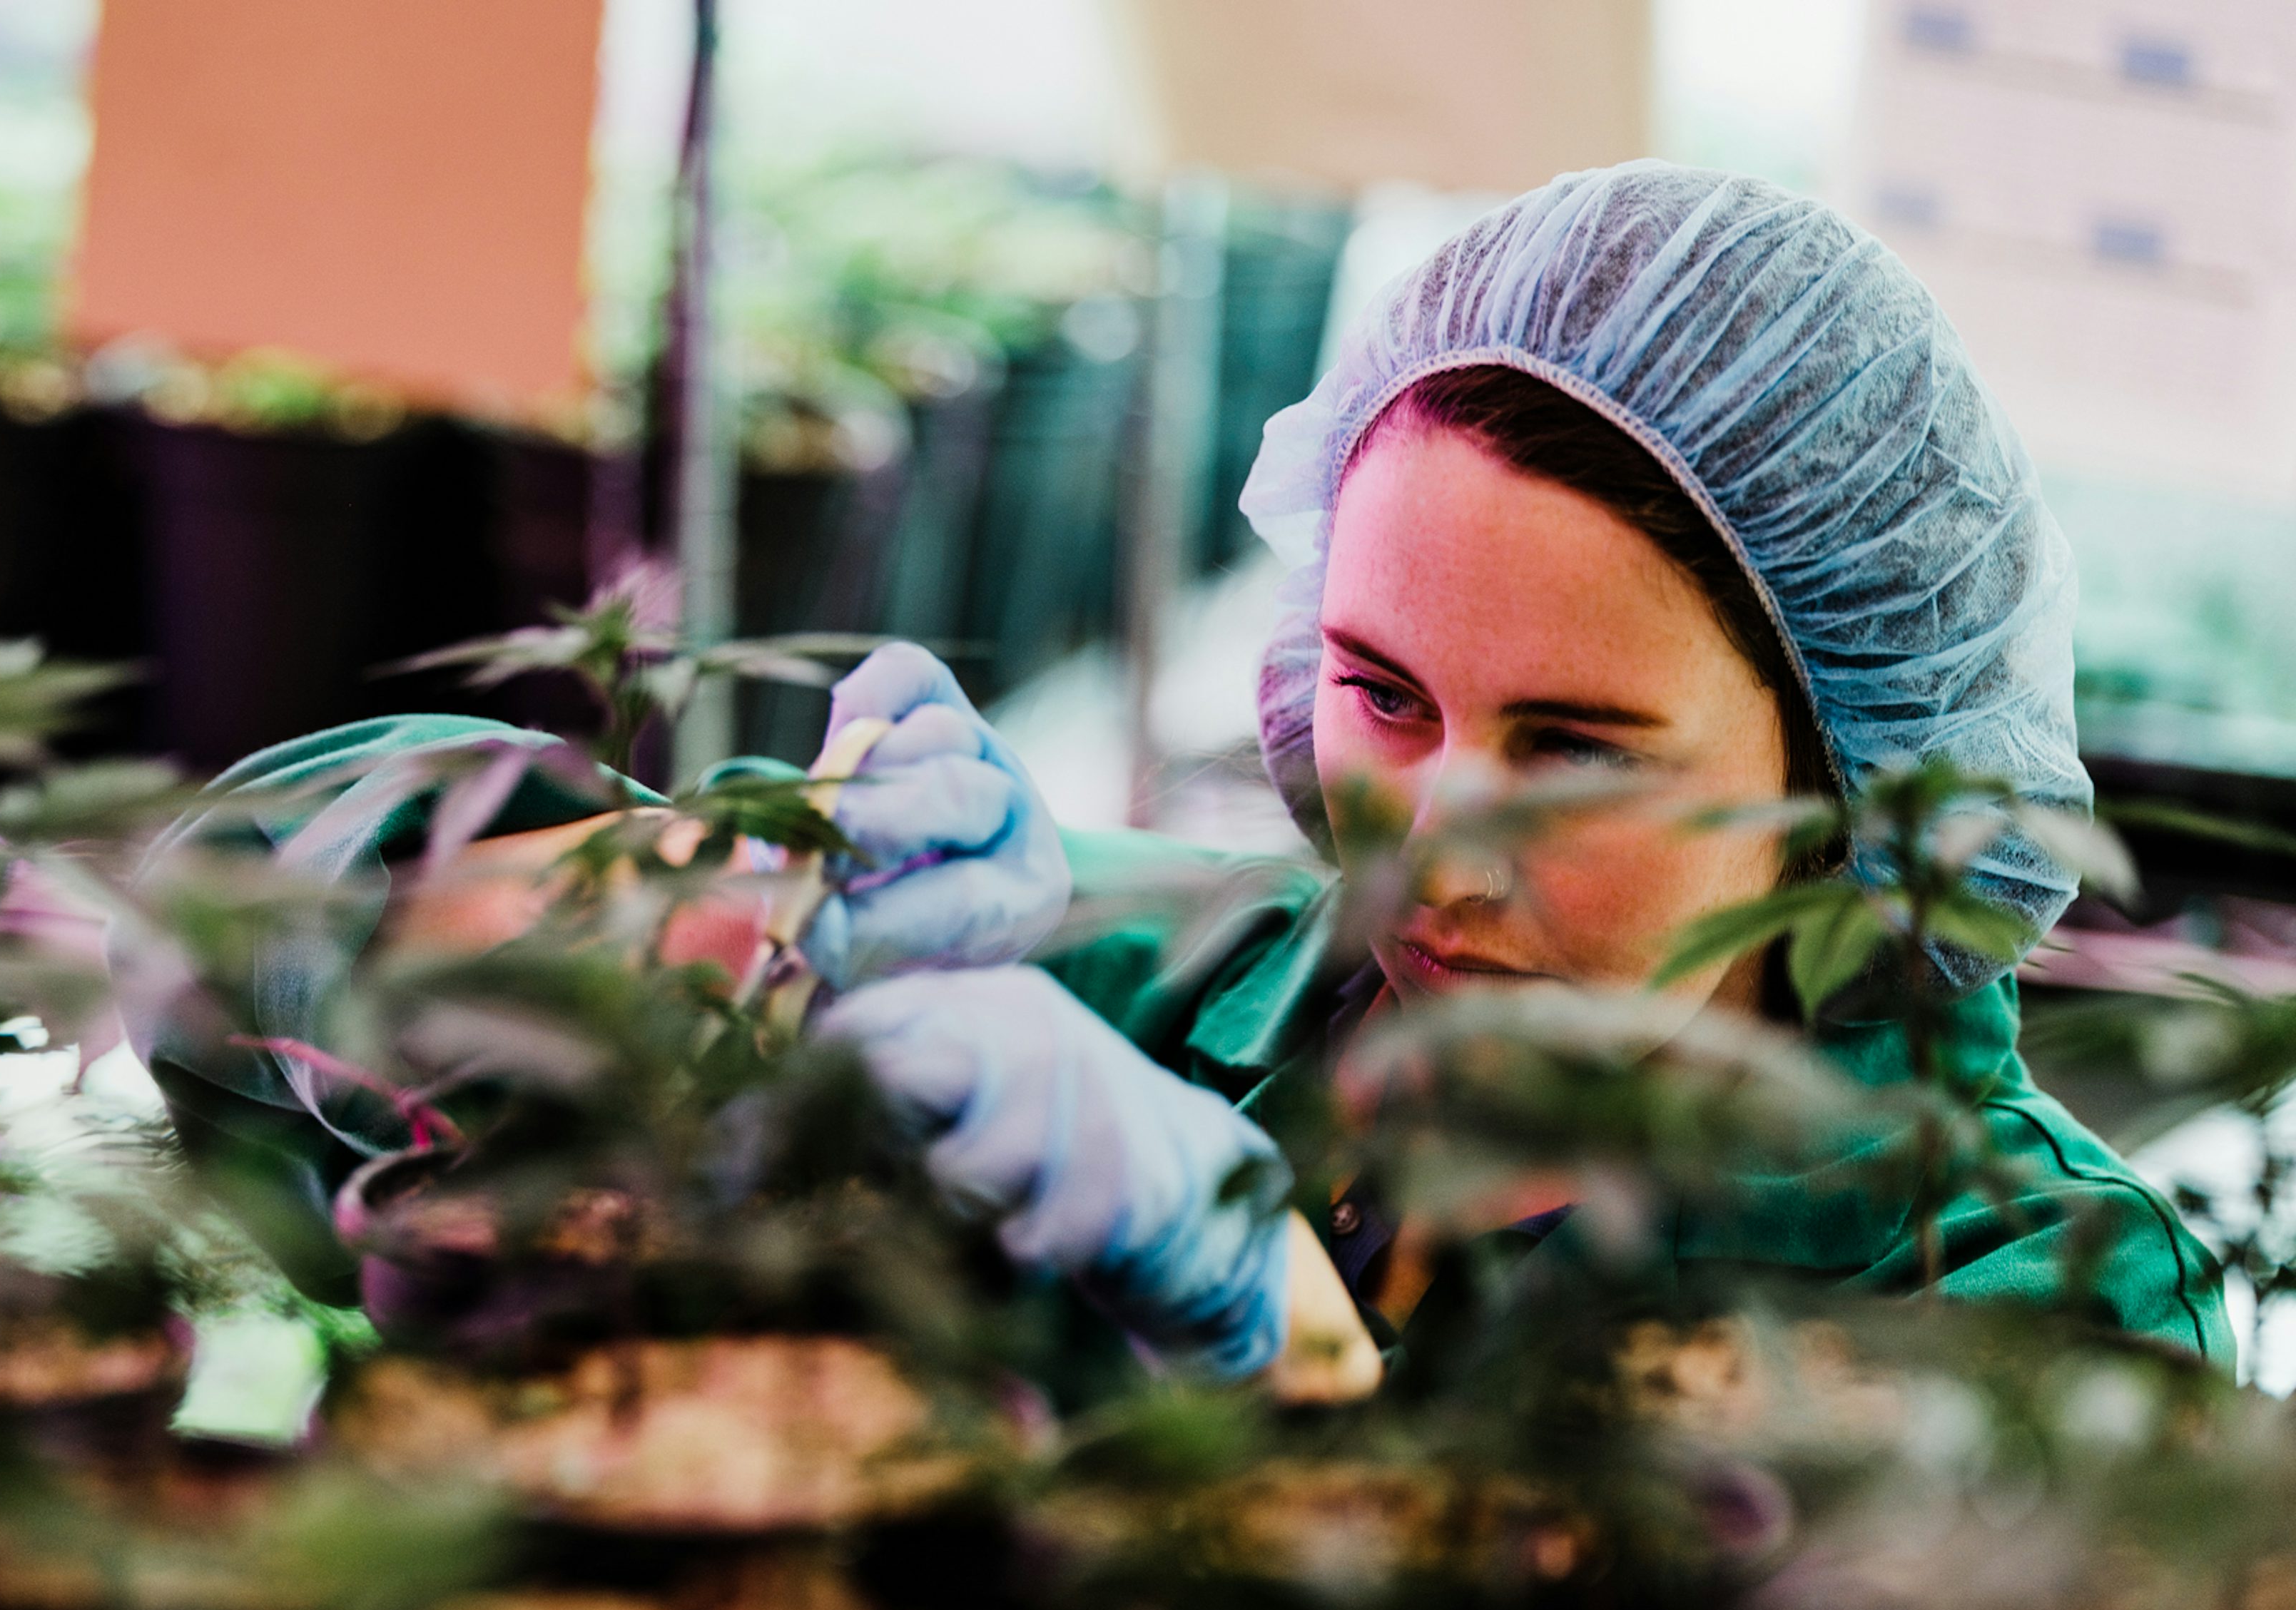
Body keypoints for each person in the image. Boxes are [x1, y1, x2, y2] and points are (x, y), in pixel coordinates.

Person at [123, 163, 2227, 1377]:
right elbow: (221, 928)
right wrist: (688, 916)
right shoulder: (1107, 986)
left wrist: (1293, 1354)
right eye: (1384, 697)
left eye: (1575, 752)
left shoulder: (2025, 1283)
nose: (1434, 852)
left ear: (1852, 783)